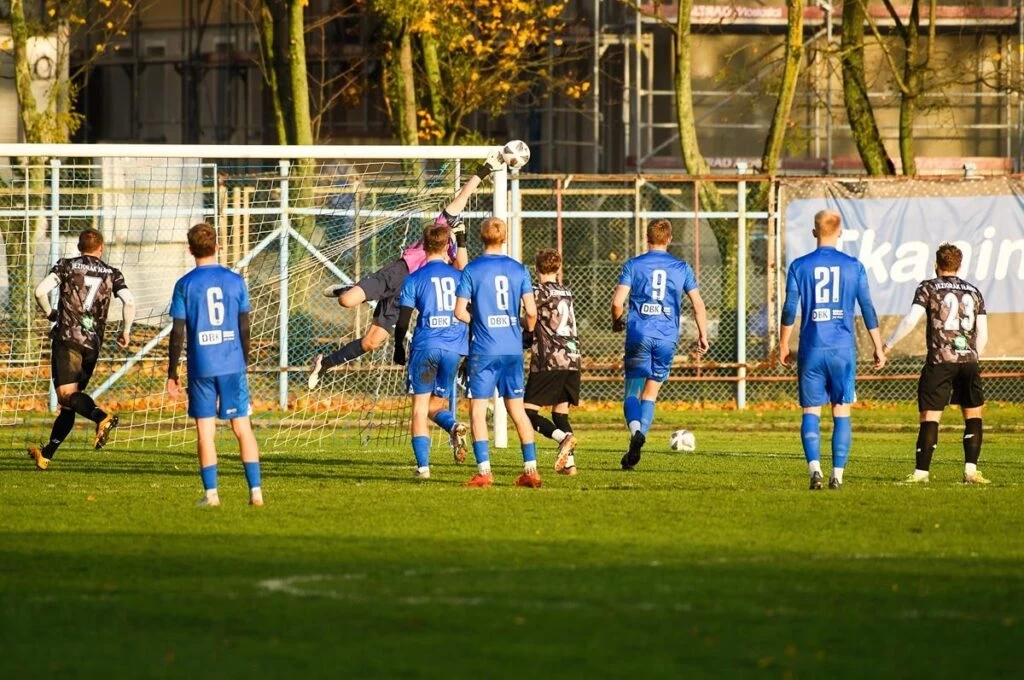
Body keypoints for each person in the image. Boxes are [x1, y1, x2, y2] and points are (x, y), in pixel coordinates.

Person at [308, 152, 506, 388]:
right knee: (346, 301)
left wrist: (461, 240)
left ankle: (324, 363)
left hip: (408, 293)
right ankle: (351, 289)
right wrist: (484, 171)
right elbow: (462, 197)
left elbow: (462, 271)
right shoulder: (438, 231)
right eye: (454, 223)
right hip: (396, 275)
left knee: (372, 342)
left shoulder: (453, 251)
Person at [779, 209, 886, 491]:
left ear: (814, 232)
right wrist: (878, 346)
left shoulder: (799, 266)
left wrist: (783, 344)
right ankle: (837, 475)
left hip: (812, 348)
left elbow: (789, 309)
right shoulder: (854, 266)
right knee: (842, 411)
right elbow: (867, 307)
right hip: (842, 350)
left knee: (810, 411)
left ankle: (815, 470)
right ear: (840, 232)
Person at [166, 223, 263, 507]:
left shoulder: (185, 284)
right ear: (218, 247)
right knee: (242, 428)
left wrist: (172, 372)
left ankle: (211, 495)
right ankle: (256, 492)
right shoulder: (235, 281)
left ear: (190, 250)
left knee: (205, 433)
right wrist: (243, 360)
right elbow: (244, 326)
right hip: (232, 364)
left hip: (202, 366)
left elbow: (178, 332)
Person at [883, 243, 989, 484]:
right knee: (973, 414)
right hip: (969, 360)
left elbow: (911, 320)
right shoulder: (974, 291)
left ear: (936, 264)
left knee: (930, 416)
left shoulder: (928, 287)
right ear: (959, 265)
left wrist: (888, 345)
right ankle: (971, 471)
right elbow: (983, 333)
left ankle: (922, 472)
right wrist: (974, 356)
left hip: (940, 360)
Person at [28, 228, 135, 470]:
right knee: (69, 403)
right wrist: (126, 330)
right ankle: (46, 454)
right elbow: (129, 301)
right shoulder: (112, 273)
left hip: (68, 340)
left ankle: (102, 417)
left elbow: (39, 291)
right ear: (101, 248)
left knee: (67, 396)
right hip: (92, 344)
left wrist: (50, 313)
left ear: (79, 247)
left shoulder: (66, 266)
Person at [611, 219, 709, 471]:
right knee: (650, 394)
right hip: (666, 338)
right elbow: (698, 304)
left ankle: (636, 433)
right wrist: (703, 335)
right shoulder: (681, 267)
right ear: (669, 239)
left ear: (647, 238)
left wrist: (617, 321)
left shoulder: (633, 265)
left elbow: (617, 303)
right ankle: (637, 441)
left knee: (632, 394)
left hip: (639, 335)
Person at [454, 218, 539, 488]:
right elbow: (532, 312)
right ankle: (531, 470)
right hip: (512, 349)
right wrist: (526, 333)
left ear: (481, 237)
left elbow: (459, 311)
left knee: (477, 411)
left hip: (484, 349)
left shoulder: (472, 269)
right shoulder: (519, 269)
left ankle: (484, 472)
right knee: (517, 410)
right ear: (504, 238)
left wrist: (480, 321)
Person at [392, 222, 470, 479]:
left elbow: (403, 321)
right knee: (436, 405)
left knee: (419, 408)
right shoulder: (460, 276)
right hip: (455, 348)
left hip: (426, 346)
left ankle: (423, 467)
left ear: (424, 246)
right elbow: (470, 311)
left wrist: (399, 347)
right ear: (448, 246)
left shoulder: (414, 279)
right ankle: (454, 426)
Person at [523, 249, 580, 475]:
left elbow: (531, 316)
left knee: (527, 412)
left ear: (536, 268)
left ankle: (562, 438)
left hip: (550, 359)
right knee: (560, 414)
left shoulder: (538, 292)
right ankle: (569, 465)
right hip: (572, 358)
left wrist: (521, 327)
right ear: (558, 268)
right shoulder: (566, 292)